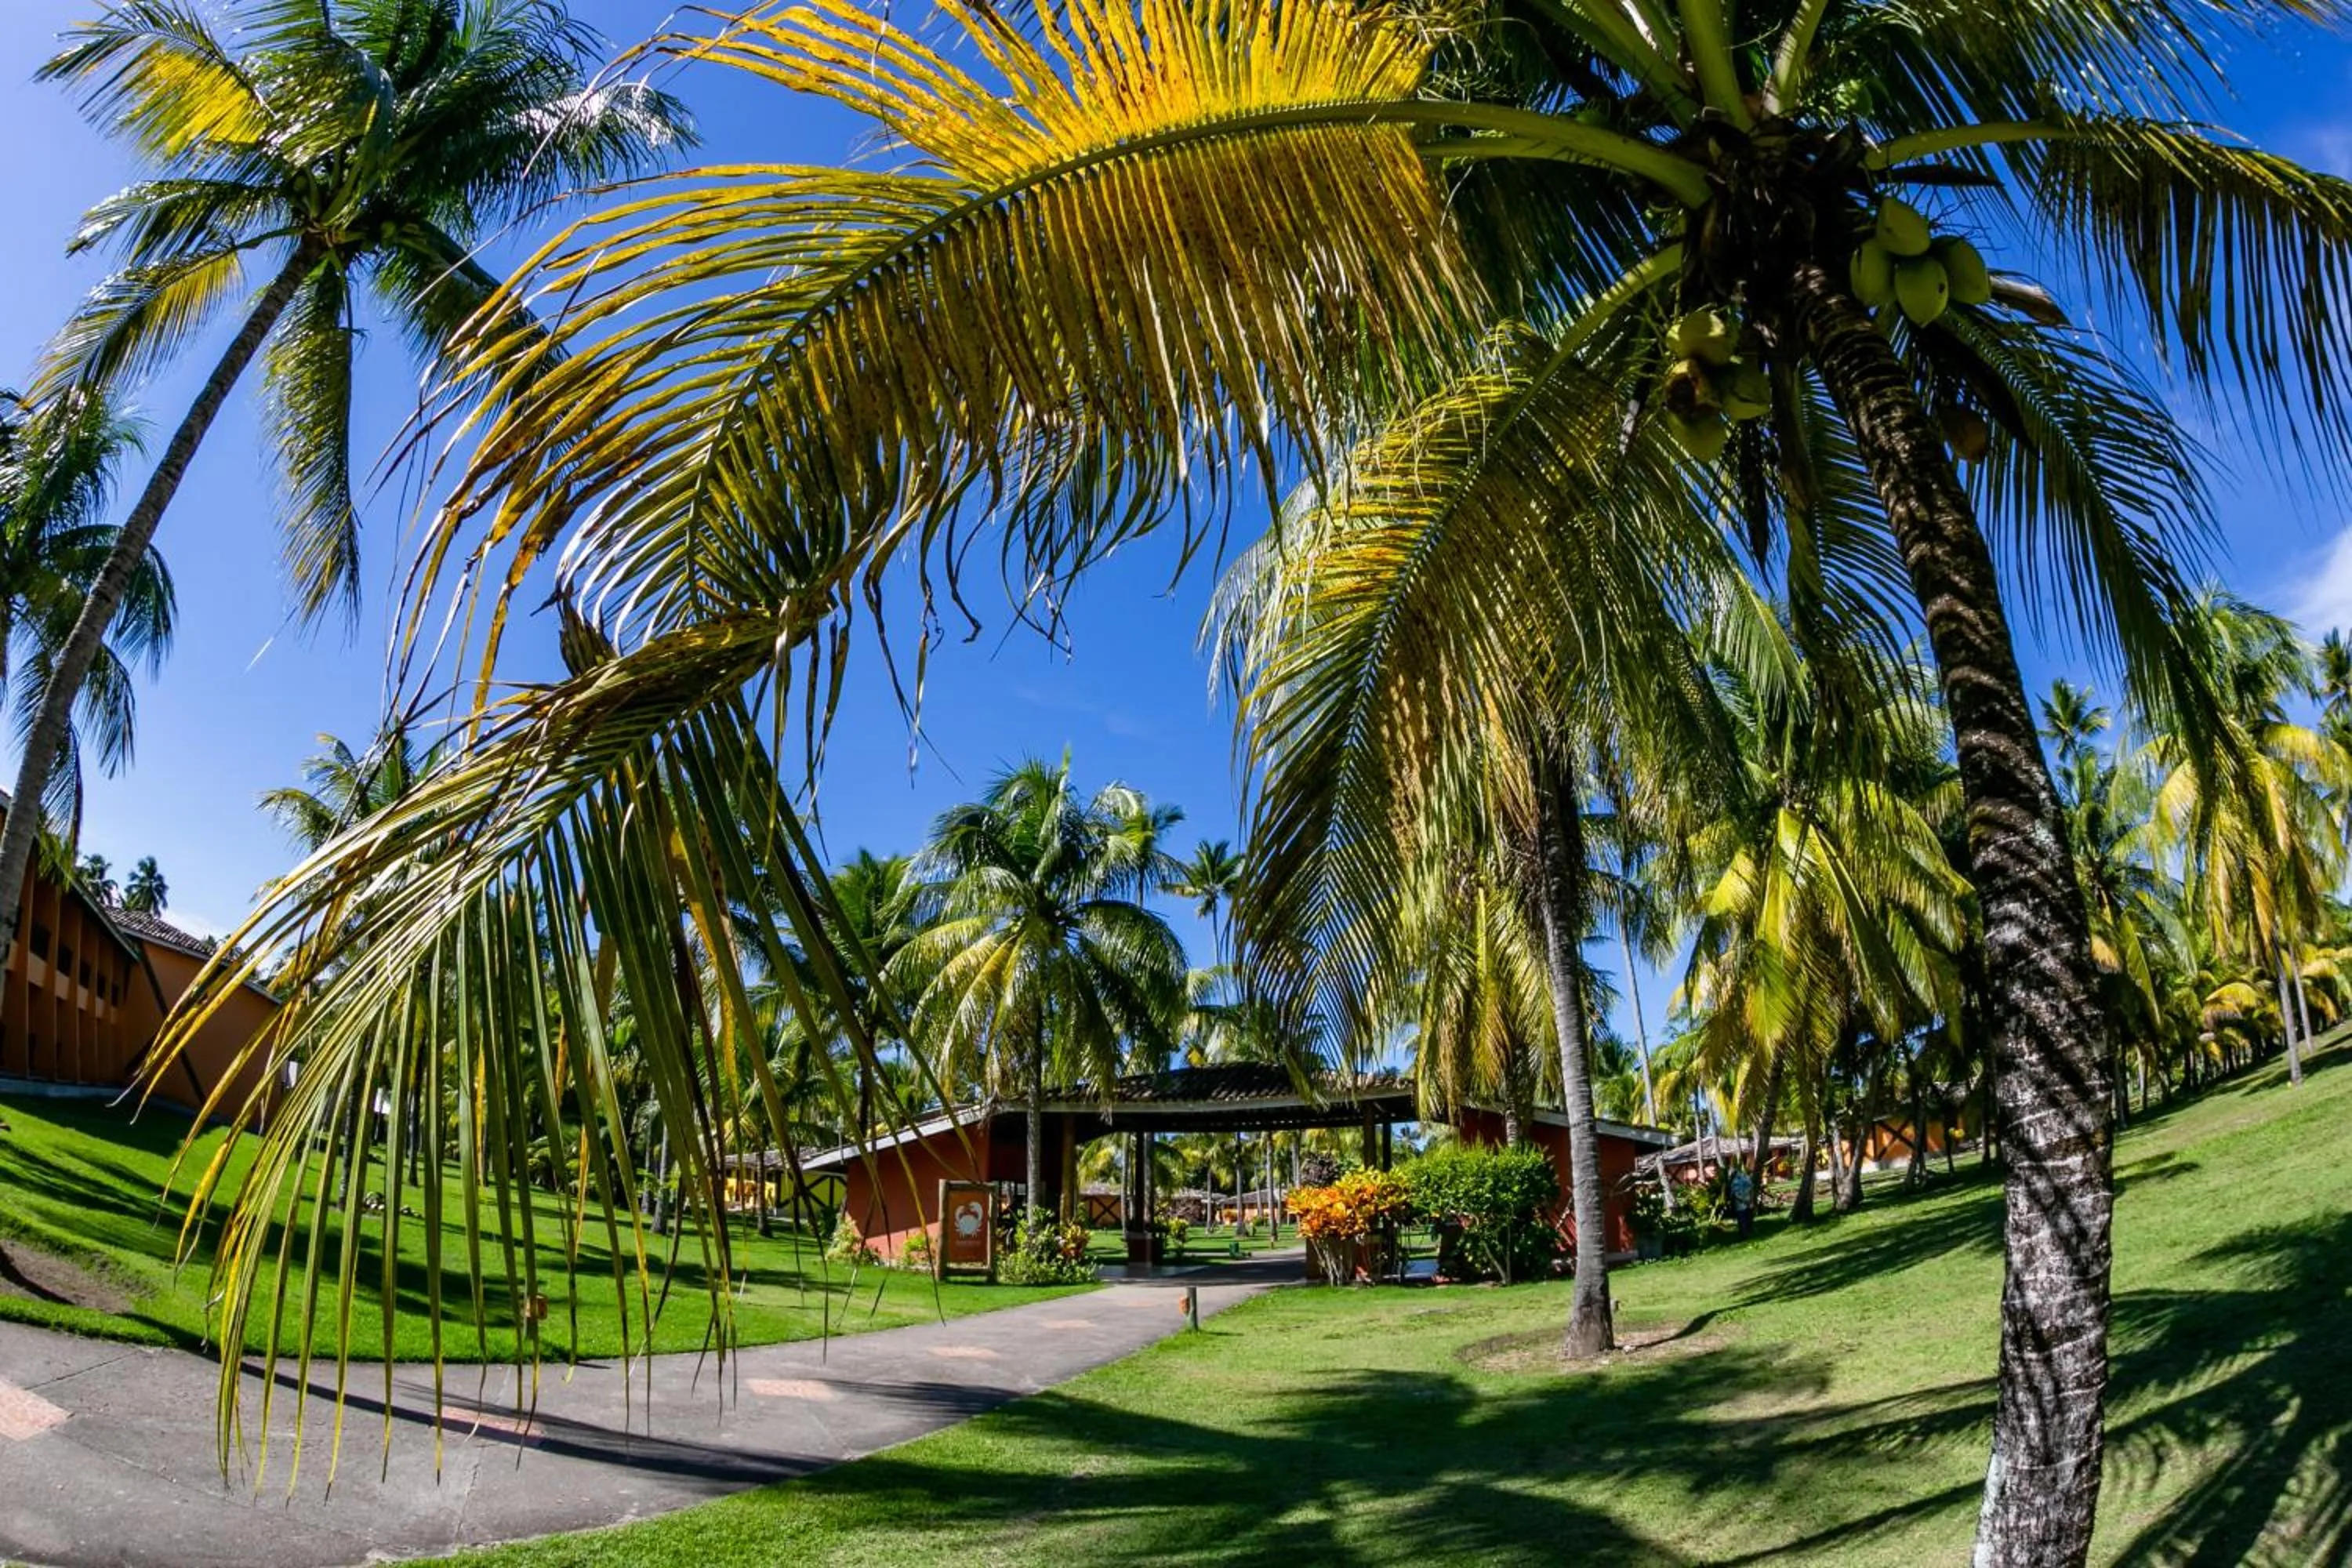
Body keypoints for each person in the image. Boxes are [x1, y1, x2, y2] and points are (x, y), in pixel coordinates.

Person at [1729, 1166, 1756, 1239]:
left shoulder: (1734, 1182)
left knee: (1742, 1220)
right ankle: (1749, 1233)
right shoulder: (1746, 1178)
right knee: (1748, 1219)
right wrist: (1751, 1201)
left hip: (1740, 1205)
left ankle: (1744, 1236)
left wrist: (1743, 1201)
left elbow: (1735, 1195)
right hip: (1749, 1202)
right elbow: (1752, 1189)